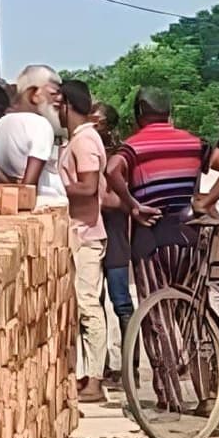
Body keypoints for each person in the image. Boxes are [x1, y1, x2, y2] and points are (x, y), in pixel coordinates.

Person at [111, 88, 209, 411]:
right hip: (188, 238)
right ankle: (206, 392)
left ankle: (171, 397)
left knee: (157, 319)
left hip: (151, 240)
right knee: (194, 316)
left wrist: (133, 205)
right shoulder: (193, 143)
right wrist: (207, 200)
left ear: (140, 111)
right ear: (169, 111)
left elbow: (112, 170)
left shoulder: (133, 147)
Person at [57, 81, 111, 403]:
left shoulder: (85, 140)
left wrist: (54, 189)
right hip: (80, 230)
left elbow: (89, 187)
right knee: (80, 306)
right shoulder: (78, 140)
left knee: (89, 305)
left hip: (86, 233)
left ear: (67, 105)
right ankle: (83, 374)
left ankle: (95, 380)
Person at [0, 65, 68, 207]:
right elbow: (28, 188)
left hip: (10, 208)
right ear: (33, 94)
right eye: (53, 93)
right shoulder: (39, 125)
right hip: (40, 215)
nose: (60, 99)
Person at [93, 103, 133, 382]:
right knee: (95, 305)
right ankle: (103, 366)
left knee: (121, 304)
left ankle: (130, 368)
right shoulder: (90, 151)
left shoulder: (120, 157)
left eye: (97, 120)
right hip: (95, 234)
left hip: (116, 236)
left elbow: (121, 199)